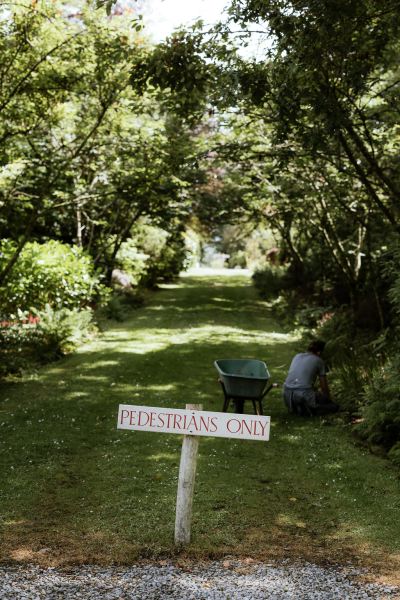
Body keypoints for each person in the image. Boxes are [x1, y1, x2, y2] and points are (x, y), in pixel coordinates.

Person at [283, 340, 339, 416]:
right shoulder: (319, 361)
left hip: (287, 394)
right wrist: (328, 400)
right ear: (319, 352)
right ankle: (310, 409)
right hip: (302, 394)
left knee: (312, 395)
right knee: (334, 407)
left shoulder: (297, 356)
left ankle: (298, 408)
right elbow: (324, 387)